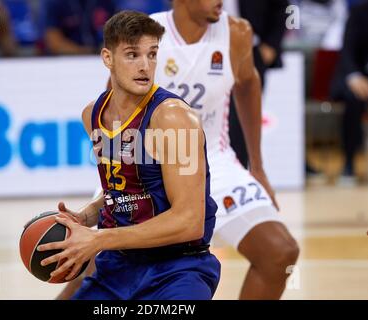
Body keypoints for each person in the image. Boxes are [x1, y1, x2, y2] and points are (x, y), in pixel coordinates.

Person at [38, 10, 221, 300]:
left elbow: (189, 221)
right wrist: (86, 216)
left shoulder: (174, 119)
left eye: (151, 54)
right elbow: (124, 192)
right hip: (118, 268)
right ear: (107, 58)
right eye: (132, 55)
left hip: (177, 269)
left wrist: (99, 239)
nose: (145, 66)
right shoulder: (93, 115)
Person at [150, 0, 299, 299]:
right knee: (94, 267)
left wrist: (256, 166)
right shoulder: (147, 34)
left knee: (279, 252)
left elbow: (247, 84)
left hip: (213, 164)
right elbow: (116, 111)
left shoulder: (237, 32)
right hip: (151, 168)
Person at [222, 0, 289, 168]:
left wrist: (272, 45)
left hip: (252, 50)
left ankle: (239, 172)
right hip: (210, 47)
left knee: (244, 118)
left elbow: (283, 7)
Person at [330, 0, 368, 181]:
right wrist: (354, 76)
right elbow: (347, 51)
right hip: (358, 77)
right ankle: (349, 163)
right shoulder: (358, 13)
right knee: (353, 100)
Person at [42, 0, 116, 55]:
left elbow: (117, 33)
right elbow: (53, 41)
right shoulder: (56, 3)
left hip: (101, 57)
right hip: (66, 60)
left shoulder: (107, 2)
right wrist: (85, 52)